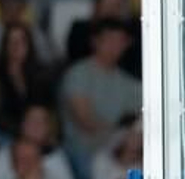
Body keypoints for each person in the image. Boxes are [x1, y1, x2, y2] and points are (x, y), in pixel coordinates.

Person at [59, 19, 142, 167]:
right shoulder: (78, 73)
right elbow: (84, 120)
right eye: (110, 39)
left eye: (120, 41)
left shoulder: (127, 81)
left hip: (114, 154)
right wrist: (118, 135)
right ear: (95, 41)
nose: (115, 46)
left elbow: (150, 108)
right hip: (81, 154)